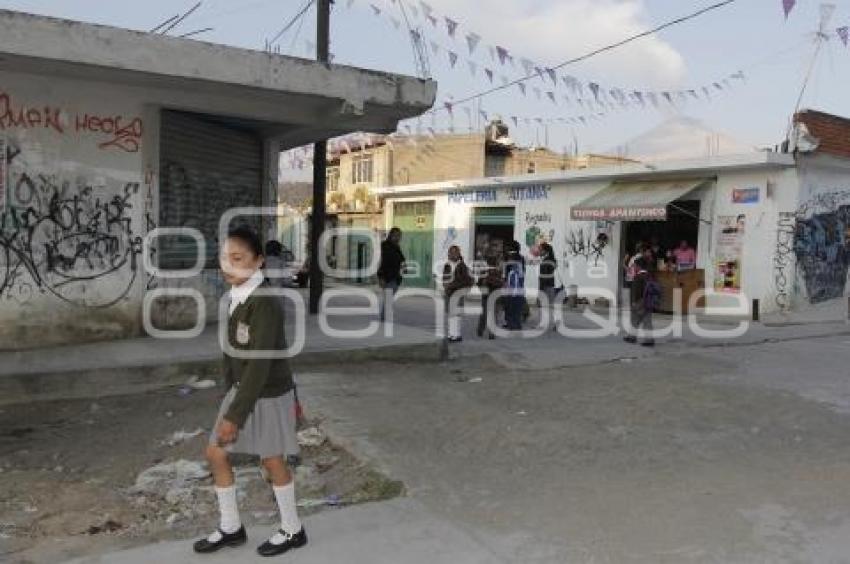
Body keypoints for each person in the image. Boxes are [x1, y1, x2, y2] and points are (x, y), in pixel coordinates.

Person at [193, 226, 307, 557]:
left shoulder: (265, 302)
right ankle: (231, 527)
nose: (228, 265)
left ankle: (292, 529)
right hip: (243, 390)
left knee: (272, 461)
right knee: (216, 453)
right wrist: (229, 395)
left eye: (237, 258)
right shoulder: (236, 297)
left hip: (268, 393)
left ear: (257, 262)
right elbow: (231, 352)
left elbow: (259, 363)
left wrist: (235, 414)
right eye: (224, 259)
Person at [623, 255, 657, 347]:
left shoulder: (638, 277)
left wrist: (634, 302)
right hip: (649, 301)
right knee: (647, 321)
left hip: (640, 301)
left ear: (638, 266)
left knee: (634, 319)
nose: (634, 267)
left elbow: (637, 290)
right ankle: (649, 339)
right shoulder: (650, 275)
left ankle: (632, 337)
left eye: (634, 265)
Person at [442, 245, 473, 342]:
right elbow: (444, 277)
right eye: (450, 252)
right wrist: (445, 285)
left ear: (458, 254)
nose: (451, 254)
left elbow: (466, 281)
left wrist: (452, 285)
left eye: (454, 252)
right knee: (451, 314)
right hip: (449, 292)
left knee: (456, 314)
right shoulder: (447, 265)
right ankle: (452, 334)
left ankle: (456, 335)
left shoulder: (462, 266)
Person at [377, 227, 405, 321]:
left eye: (399, 236)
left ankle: (385, 316)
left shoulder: (396, 247)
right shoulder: (385, 246)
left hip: (396, 277)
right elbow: (381, 261)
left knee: (389, 298)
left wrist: (403, 267)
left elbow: (401, 259)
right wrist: (380, 277)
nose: (398, 238)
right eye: (396, 235)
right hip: (387, 276)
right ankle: (385, 317)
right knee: (388, 298)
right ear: (391, 235)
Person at [477, 244, 504, 339]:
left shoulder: (495, 269)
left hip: (492, 293)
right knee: (490, 314)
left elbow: (479, 282)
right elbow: (479, 282)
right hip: (491, 293)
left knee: (487, 314)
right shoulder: (491, 269)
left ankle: (484, 331)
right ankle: (485, 331)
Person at [503, 240, 525, 331]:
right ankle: (517, 324)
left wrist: (504, 281)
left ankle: (511, 324)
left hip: (511, 284)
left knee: (510, 304)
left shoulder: (509, 257)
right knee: (517, 305)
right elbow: (522, 272)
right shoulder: (521, 257)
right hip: (519, 284)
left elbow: (507, 272)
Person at [538, 242, 557, 307]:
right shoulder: (551, 259)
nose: (539, 251)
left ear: (545, 251)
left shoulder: (547, 260)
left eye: (540, 249)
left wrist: (541, 290)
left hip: (546, 287)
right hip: (549, 285)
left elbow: (545, 276)